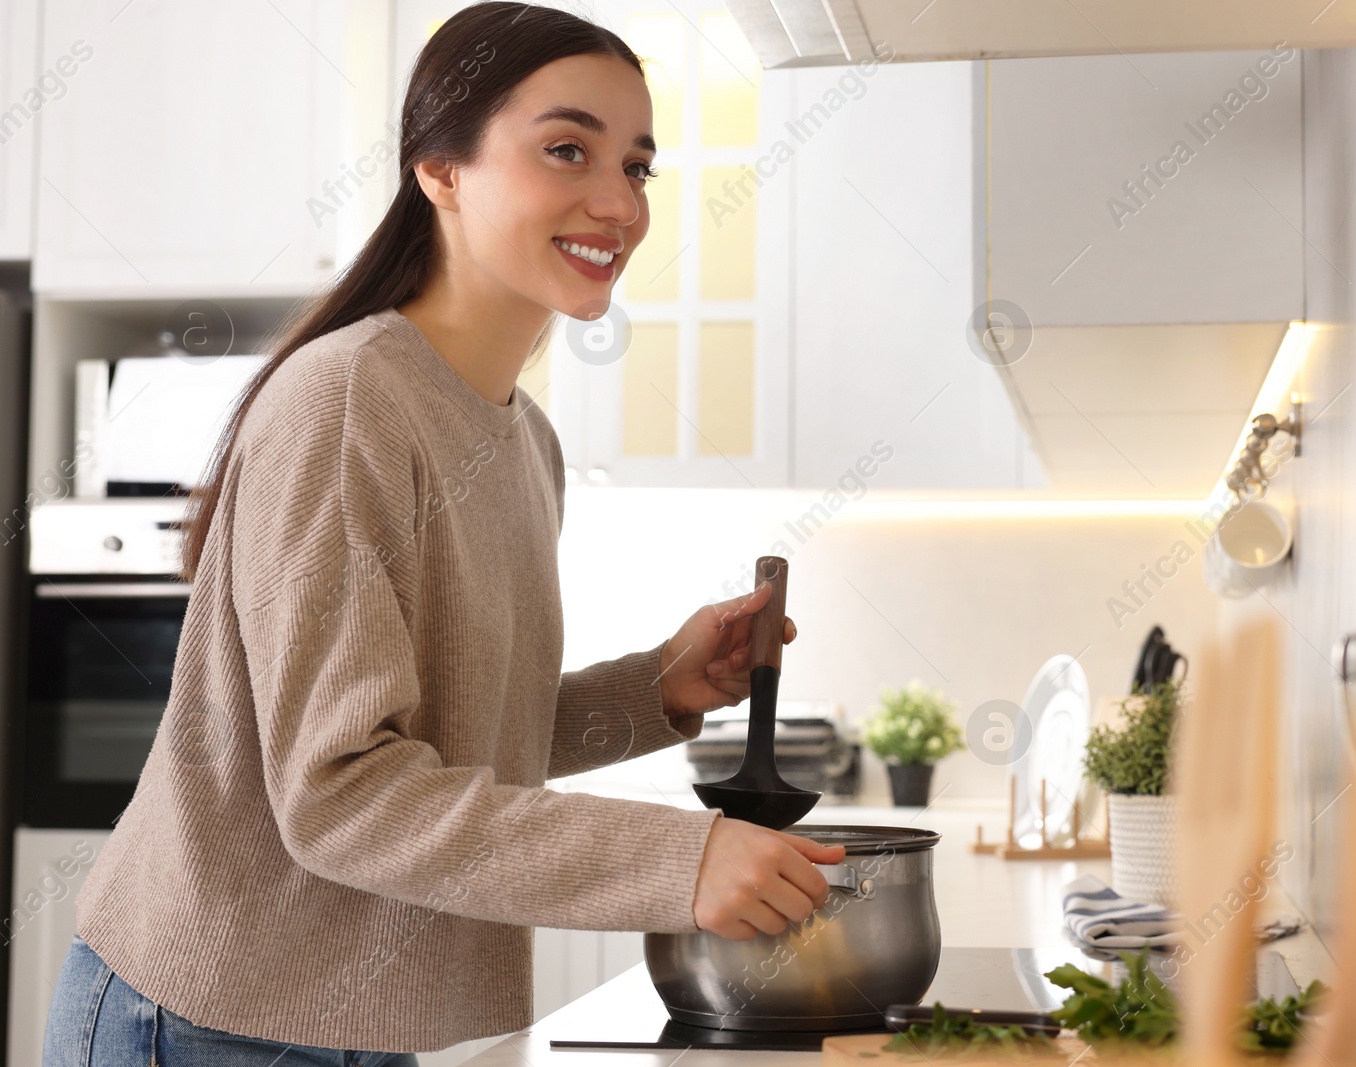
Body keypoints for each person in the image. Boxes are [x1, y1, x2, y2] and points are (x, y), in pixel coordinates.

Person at [43, 5, 844, 1063]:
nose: (616, 202)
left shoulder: (523, 439)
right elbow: (342, 791)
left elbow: (450, 737)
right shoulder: (348, 405)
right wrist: (675, 861)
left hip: (352, 1013)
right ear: (440, 169)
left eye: (637, 167)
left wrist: (654, 688)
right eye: (567, 150)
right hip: (212, 1017)